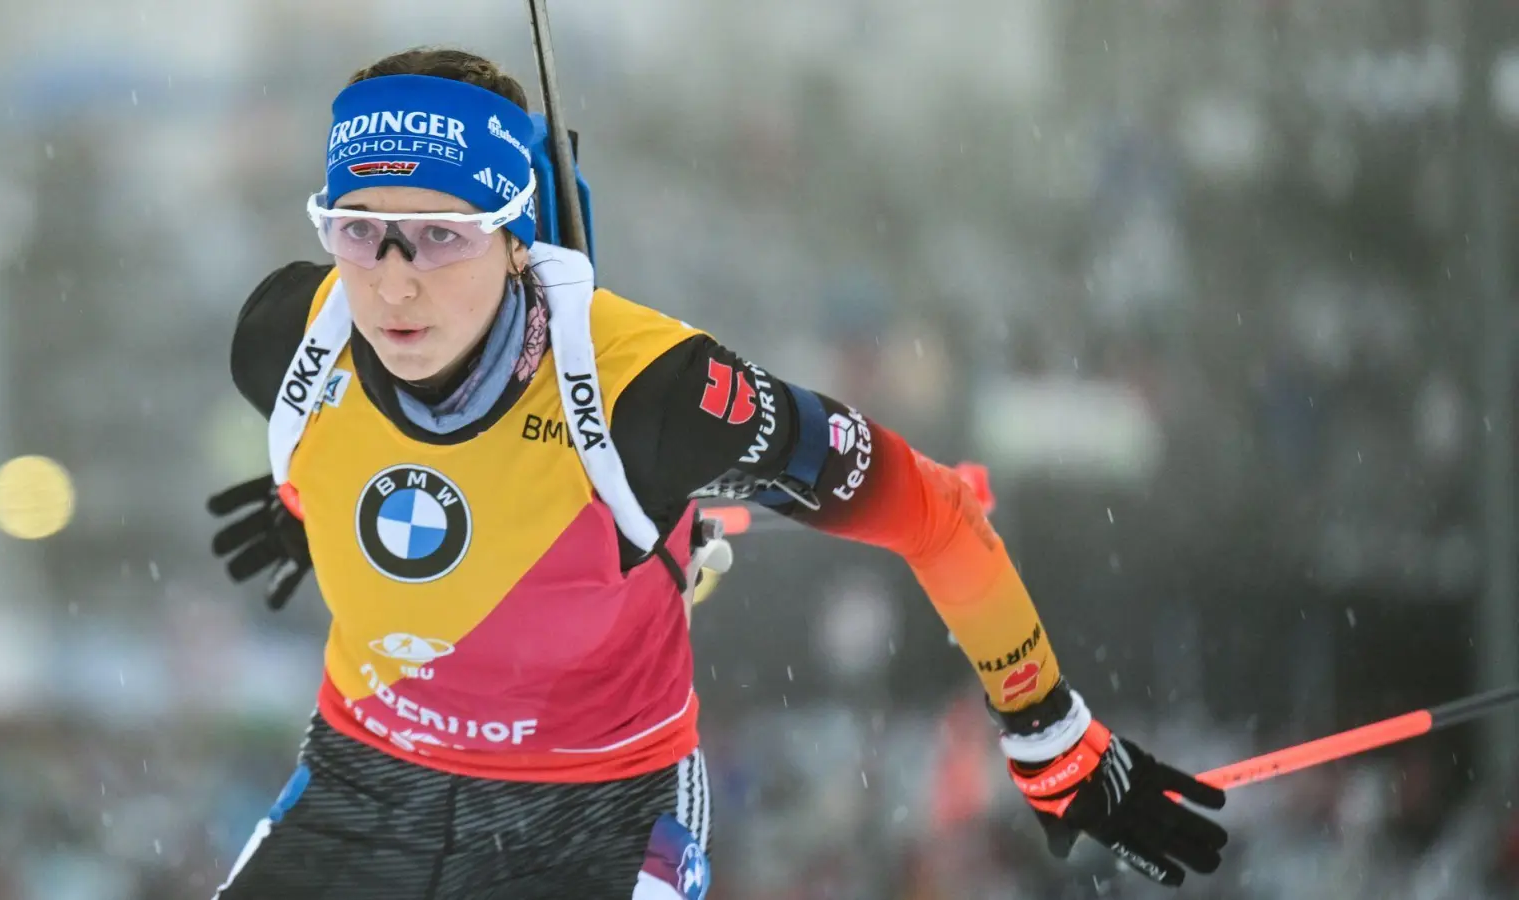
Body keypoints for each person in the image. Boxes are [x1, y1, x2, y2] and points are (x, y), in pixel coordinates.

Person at [206, 46, 1229, 900]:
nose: (390, 283)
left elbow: (935, 511)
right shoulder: (285, 344)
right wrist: (309, 509)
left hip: (596, 817)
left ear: (517, 238)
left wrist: (1048, 736)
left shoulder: (657, 396)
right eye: (358, 230)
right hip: (361, 787)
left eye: (440, 236)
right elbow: (391, 464)